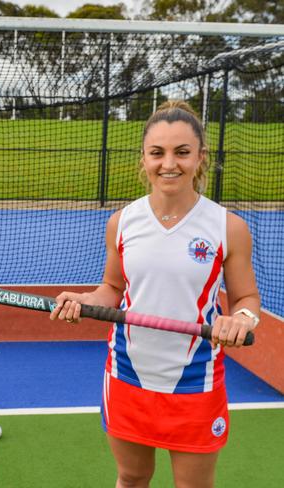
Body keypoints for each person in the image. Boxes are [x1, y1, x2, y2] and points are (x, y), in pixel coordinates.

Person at [50, 100, 260, 488]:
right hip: (127, 374)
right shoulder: (122, 222)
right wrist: (86, 301)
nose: (169, 164)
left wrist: (240, 319)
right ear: (143, 159)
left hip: (195, 381)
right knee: (131, 478)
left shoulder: (227, 227)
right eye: (157, 153)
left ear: (201, 157)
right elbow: (112, 289)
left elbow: (247, 298)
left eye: (182, 152)